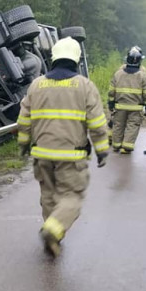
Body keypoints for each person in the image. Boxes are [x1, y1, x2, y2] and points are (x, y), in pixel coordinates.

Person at [16, 37, 109, 258]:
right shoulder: (84, 86)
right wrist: (102, 150)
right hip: (71, 155)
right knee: (72, 196)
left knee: (48, 195)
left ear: (54, 58)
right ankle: (54, 229)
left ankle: (53, 235)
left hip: (41, 154)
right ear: (76, 59)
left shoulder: (37, 84)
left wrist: (23, 144)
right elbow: (97, 123)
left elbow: (24, 119)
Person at [108, 47, 146, 154]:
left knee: (118, 125)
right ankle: (127, 147)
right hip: (136, 107)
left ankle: (116, 145)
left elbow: (111, 91)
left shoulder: (118, 74)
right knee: (132, 126)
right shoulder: (143, 75)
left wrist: (111, 103)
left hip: (120, 106)